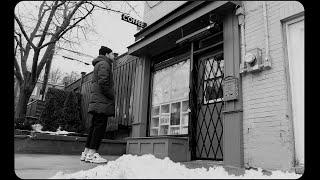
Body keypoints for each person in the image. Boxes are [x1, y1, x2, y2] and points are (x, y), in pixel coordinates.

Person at [80, 46, 115, 164]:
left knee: (94, 127)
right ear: (106, 54)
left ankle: (86, 153)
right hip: (102, 102)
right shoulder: (104, 64)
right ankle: (93, 154)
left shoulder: (98, 64)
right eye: (112, 54)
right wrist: (111, 95)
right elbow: (103, 82)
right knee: (99, 128)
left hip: (97, 101)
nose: (113, 56)